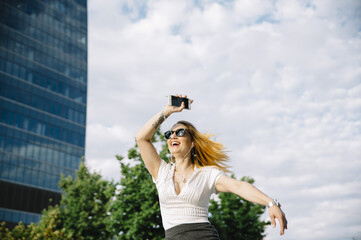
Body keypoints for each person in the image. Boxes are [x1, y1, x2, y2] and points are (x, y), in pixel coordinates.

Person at [135, 95, 287, 240]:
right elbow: (141, 138)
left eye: (180, 132)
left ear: (192, 142)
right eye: (170, 133)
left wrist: (271, 203)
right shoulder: (161, 172)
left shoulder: (207, 174)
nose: (173, 136)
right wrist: (167, 111)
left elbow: (238, 186)